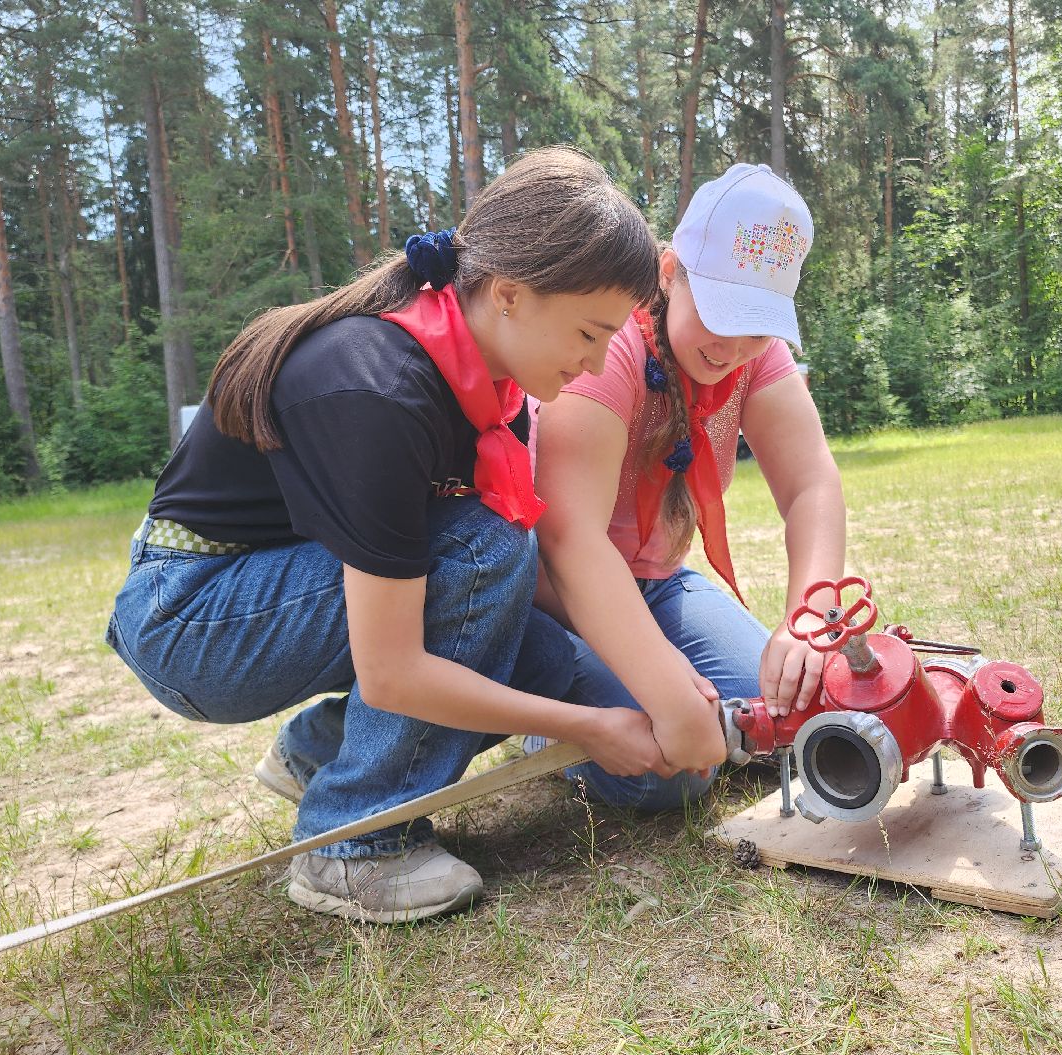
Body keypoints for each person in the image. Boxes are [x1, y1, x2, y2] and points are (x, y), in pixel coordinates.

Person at [106, 147, 672, 925]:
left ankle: (326, 754)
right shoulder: (376, 388)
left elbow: (498, 604)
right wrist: (591, 728)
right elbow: (398, 667)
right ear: (508, 294)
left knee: (536, 656)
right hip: (190, 617)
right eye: (589, 330)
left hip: (274, 592)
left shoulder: (492, 393)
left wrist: (657, 676)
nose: (598, 361)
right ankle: (351, 846)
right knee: (486, 551)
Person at [532, 163, 846, 809]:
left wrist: (810, 617)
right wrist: (668, 692)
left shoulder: (758, 358)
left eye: (756, 326)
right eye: (722, 312)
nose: (733, 347)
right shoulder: (610, 343)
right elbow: (568, 537)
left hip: (660, 583)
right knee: (666, 771)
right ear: (671, 272)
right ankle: (538, 723)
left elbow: (811, 483)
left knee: (785, 720)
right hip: (556, 598)